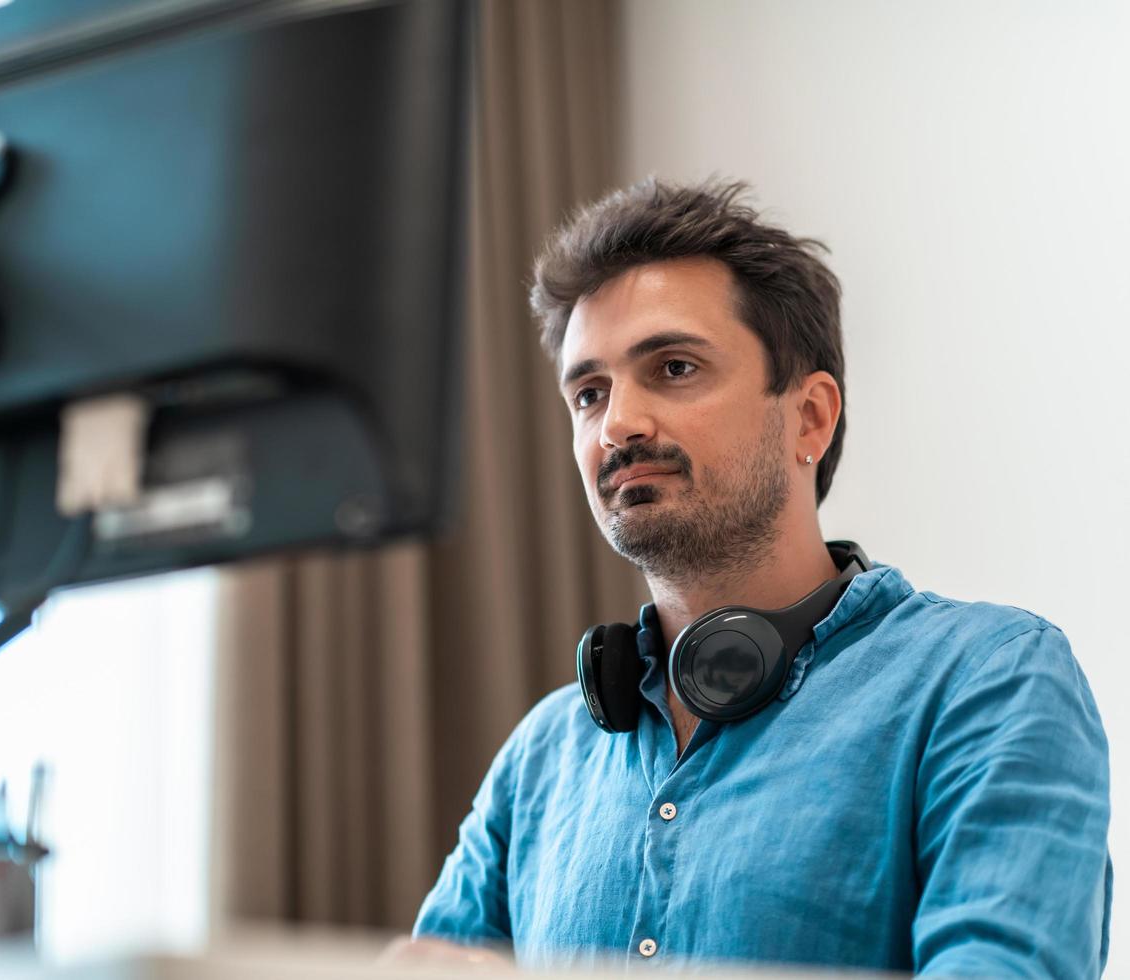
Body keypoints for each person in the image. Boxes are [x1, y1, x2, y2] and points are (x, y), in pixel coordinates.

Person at [407, 180, 1112, 976]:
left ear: (809, 416)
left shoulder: (991, 682)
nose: (618, 426)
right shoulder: (542, 754)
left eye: (673, 368)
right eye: (589, 393)